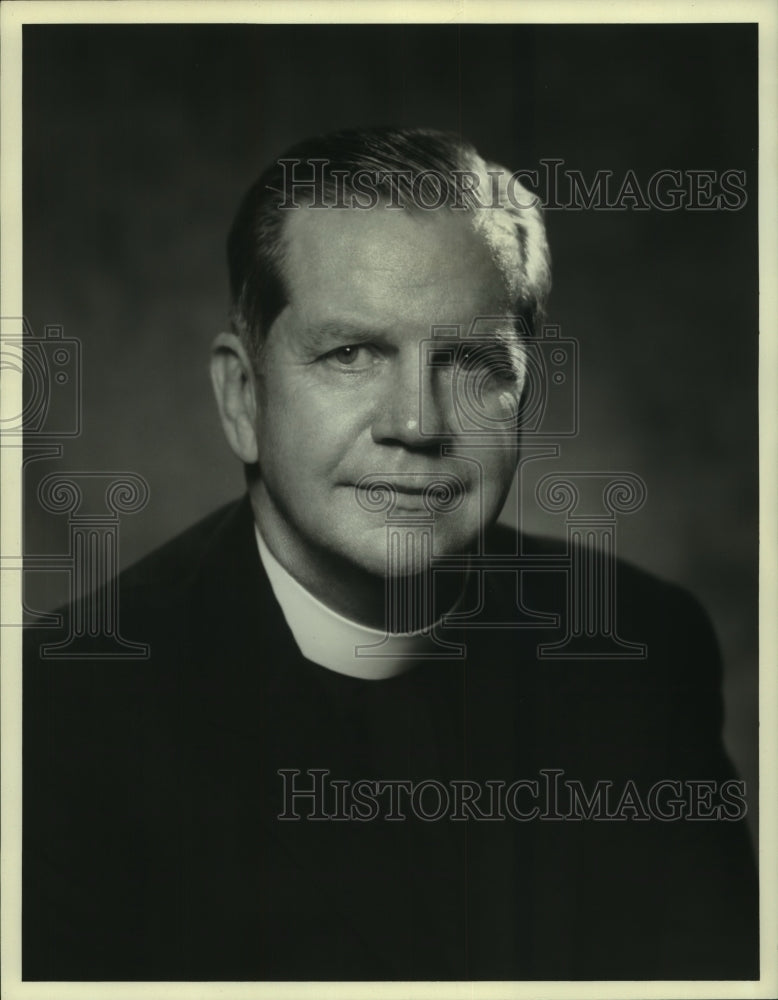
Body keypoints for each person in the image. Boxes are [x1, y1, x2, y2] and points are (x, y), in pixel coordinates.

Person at [23, 127, 758, 981]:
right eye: (351, 353)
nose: (416, 423)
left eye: (471, 362)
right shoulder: (61, 713)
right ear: (242, 396)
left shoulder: (642, 644)